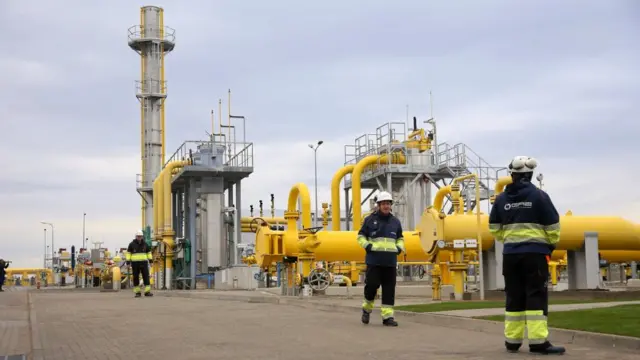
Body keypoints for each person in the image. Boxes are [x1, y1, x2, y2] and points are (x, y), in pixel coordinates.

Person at [489, 156, 565, 355]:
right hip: (535, 254)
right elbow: (553, 226)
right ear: (530, 175)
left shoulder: (501, 199)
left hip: (511, 255)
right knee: (536, 295)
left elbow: (494, 228)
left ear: (512, 175)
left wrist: (508, 239)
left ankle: (512, 341)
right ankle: (538, 342)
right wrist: (549, 245)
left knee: (514, 295)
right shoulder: (540, 196)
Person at [357, 191, 404, 327]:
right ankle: (366, 309)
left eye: (388, 203)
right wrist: (368, 246)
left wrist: (399, 248)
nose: (386, 206)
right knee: (371, 286)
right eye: (383, 204)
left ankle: (387, 317)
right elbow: (360, 236)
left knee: (389, 290)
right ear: (378, 205)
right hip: (374, 261)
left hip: (390, 262)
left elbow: (400, 238)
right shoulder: (370, 220)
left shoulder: (395, 222)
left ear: (391, 205)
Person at [126, 230, 153, 298]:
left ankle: (147, 292)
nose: (139, 238)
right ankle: (137, 292)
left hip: (144, 263)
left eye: (140, 236)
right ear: (136, 237)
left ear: (142, 237)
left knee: (146, 277)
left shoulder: (145, 244)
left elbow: (149, 253)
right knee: (135, 277)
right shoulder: (131, 244)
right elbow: (128, 254)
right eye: (138, 236)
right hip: (135, 264)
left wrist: (151, 261)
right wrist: (128, 263)